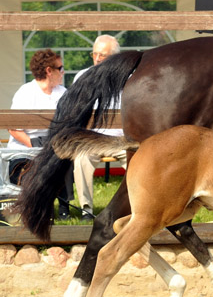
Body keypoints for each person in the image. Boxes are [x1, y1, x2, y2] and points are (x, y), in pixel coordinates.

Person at [7, 48, 74, 219]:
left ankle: (64, 207)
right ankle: (38, 208)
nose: (63, 72)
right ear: (49, 71)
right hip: (25, 145)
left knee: (64, 157)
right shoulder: (26, 92)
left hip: (53, 143)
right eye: (60, 68)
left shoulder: (62, 92)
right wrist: (33, 144)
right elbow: (13, 127)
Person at [73, 35, 126, 220]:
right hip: (92, 138)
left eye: (102, 55)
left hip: (120, 140)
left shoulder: (126, 77)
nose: (96, 59)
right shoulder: (82, 76)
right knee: (81, 159)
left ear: (113, 57)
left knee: (140, 161)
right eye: (94, 54)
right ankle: (86, 210)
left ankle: (136, 208)